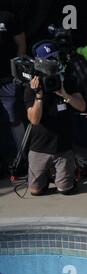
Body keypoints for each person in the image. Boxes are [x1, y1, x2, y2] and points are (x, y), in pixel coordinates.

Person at [25, 41, 86, 196]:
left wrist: (65, 95)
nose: (52, 62)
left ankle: (74, 166)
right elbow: (34, 120)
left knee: (66, 190)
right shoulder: (33, 85)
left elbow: (81, 106)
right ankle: (48, 173)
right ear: (39, 61)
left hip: (62, 145)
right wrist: (38, 96)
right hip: (40, 145)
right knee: (35, 190)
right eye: (48, 59)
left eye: (54, 57)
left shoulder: (67, 80)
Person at [0, 6, 26, 170]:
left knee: (14, 118)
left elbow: (21, 43)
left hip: (8, 79)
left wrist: (17, 72)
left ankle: (23, 158)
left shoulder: (7, 16)